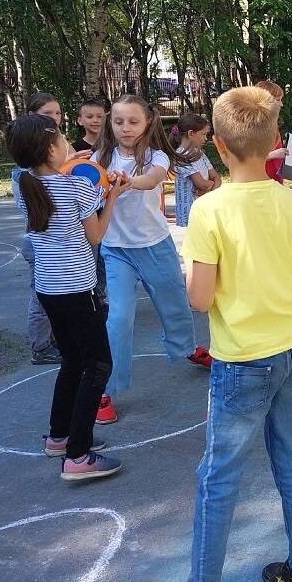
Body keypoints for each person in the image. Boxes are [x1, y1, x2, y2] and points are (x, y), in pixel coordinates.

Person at [152, 86, 292, 582]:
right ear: (274, 143)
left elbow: (201, 300)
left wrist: (191, 272)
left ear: (221, 147)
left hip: (243, 360)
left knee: (219, 478)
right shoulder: (291, 201)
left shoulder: (210, 209)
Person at [6, 114, 131, 481]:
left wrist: (102, 191)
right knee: (98, 366)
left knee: (73, 362)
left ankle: (59, 437)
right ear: (50, 149)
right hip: (79, 290)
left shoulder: (25, 187)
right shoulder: (75, 187)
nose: (69, 147)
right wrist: (112, 197)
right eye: (62, 141)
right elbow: (96, 236)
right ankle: (78, 455)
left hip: (49, 291)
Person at [91, 94, 211, 424]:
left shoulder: (157, 156)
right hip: (116, 250)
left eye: (133, 121)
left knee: (175, 304)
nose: (125, 128)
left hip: (155, 246)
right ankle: (105, 390)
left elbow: (153, 179)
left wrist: (130, 182)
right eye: (118, 122)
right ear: (109, 123)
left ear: (147, 123)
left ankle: (188, 349)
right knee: (118, 318)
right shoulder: (99, 157)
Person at [13, 95, 69, 365]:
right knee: (41, 296)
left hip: (51, 241)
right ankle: (41, 346)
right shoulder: (25, 173)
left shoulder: (54, 159)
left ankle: (55, 339)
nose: (55, 119)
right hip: (40, 243)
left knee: (54, 295)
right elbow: (35, 210)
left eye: (58, 113)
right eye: (48, 114)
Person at [173, 112, 222, 228]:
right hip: (191, 211)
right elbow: (202, 184)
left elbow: (217, 179)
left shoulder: (200, 154)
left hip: (204, 206)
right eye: (203, 134)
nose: (206, 139)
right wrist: (210, 186)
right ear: (191, 133)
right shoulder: (181, 156)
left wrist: (209, 188)